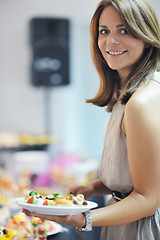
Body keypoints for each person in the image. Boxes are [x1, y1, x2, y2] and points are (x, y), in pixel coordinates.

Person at [23, 0, 160, 239]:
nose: (111, 41)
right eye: (104, 31)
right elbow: (139, 173)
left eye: (124, 30)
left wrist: (84, 219)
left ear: (146, 35)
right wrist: (94, 187)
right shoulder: (129, 95)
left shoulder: (141, 102)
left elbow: (147, 199)